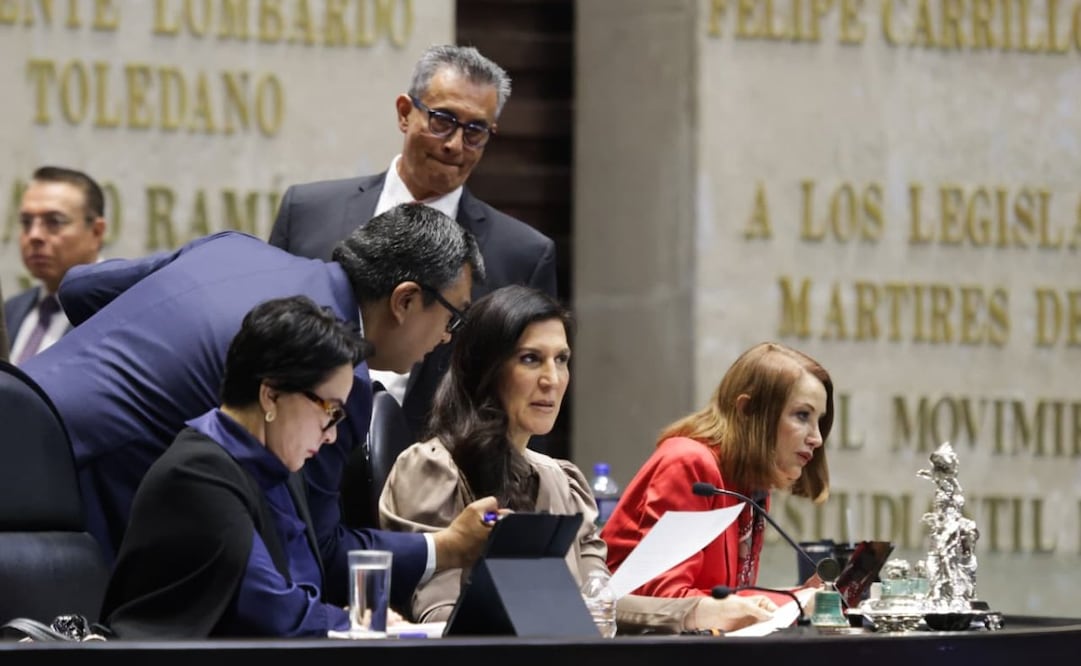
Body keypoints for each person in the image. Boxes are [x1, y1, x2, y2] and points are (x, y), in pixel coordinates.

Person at [22, 203, 489, 611]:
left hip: (19, 404)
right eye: (454, 316)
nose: (448, 337)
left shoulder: (235, 248)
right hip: (75, 486)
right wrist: (442, 548)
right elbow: (317, 555)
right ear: (405, 301)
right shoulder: (328, 378)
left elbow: (80, 286)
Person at [379, 286, 777, 633]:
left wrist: (700, 611)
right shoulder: (432, 468)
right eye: (531, 359)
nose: (552, 379)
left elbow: (601, 606)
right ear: (486, 369)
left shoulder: (564, 482)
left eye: (562, 359)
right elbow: (439, 615)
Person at [269, 44, 557, 446]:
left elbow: (530, 398)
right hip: (301, 455)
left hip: (439, 478)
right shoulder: (308, 211)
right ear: (405, 113)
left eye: (475, 131)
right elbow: (265, 343)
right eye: (442, 121)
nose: (455, 144)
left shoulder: (521, 254)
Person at [103, 296, 423, 637]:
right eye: (330, 412)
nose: (331, 436)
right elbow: (272, 612)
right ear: (270, 395)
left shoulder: (275, 466)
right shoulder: (196, 474)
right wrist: (352, 624)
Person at [602, 342, 833, 602]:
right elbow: (667, 601)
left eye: (819, 421)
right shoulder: (688, 463)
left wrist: (806, 596)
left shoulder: (751, 482)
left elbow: (730, 598)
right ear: (747, 411)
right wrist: (796, 601)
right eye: (802, 415)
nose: (817, 438)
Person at [4, 166, 107, 363]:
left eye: (54, 221)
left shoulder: (118, 309)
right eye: (26, 222)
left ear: (96, 232)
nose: (34, 235)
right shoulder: (12, 310)